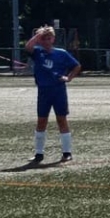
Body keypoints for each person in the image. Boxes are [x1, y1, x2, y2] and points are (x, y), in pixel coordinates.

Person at [25, 25, 82, 166]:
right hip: (44, 92)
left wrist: (69, 78)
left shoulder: (61, 53)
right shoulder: (37, 52)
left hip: (58, 91)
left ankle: (67, 152)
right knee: (41, 121)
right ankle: (39, 154)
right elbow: (28, 46)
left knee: (61, 120)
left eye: (49, 38)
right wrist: (38, 35)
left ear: (53, 39)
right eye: (43, 38)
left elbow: (76, 66)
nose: (46, 41)